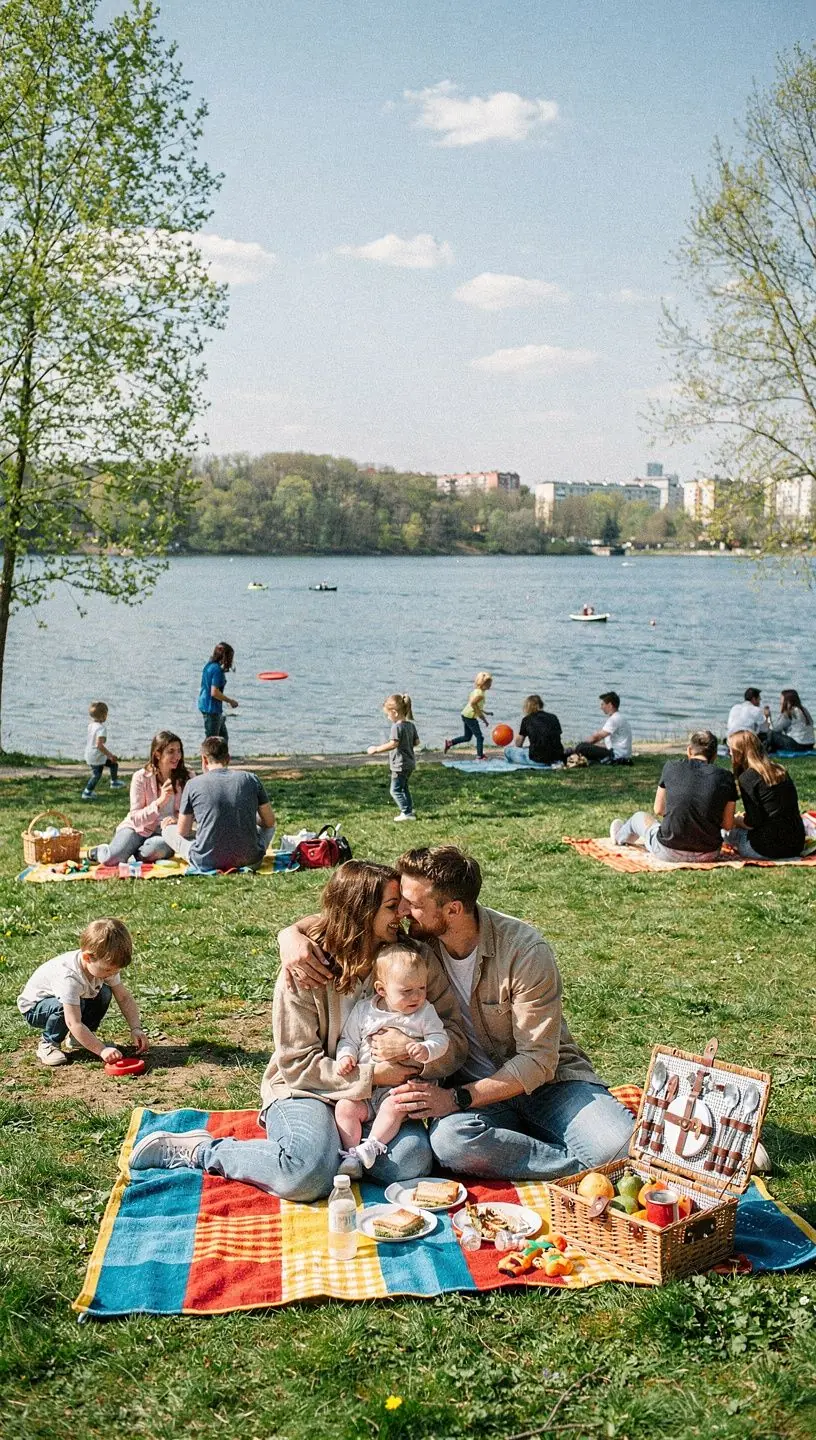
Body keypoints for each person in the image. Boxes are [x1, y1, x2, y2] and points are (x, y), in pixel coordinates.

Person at [277, 846, 634, 1182]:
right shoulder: (417, 943)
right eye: (398, 903)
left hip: (545, 1085)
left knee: (618, 1146)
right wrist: (289, 934)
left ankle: (581, 1165)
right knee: (451, 1144)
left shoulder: (523, 951)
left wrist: (456, 1099)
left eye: (411, 904)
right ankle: (580, 1167)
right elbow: (350, 913)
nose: (402, 911)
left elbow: (539, 1061)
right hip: (474, 1099)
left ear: (452, 911)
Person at [128, 862, 467, 1200]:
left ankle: (340, 1153)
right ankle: (206, 1151)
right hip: (309, 1091)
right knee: (305, 1175)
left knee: (410, 1163)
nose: (405, 912)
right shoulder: (306, 965)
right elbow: (297, 1064)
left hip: (379, 1101)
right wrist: (376, 1074)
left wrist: (418, 1059)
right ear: (361, 913)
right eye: (393, 907)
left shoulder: (411, 959)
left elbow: (454, 1038)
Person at [334, 943, 449, 1176]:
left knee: (393, 1106)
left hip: (398, 1090)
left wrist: (426, 1049)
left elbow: (441, 1039)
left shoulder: (424, 1012)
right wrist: (346, 1056)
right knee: (345, 1108)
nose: (416, 996)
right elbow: (349, 1039)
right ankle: (352, 1155)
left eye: (422, 988)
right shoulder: (364, 1011)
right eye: (406, 991)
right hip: (366, 1090)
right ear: (382, 990)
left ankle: (372, 1145)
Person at [17, 918, 147, 1069]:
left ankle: (79, 1039)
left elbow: (124, 997)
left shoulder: (105, 965)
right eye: (108, 970)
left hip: (74, 999)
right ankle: (49, 1044)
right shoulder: (69, 977)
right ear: (87, 957)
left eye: (116, 970)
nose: (112, 974)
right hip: (36, 1007)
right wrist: (102, 1050)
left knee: (104, 992)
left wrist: (136, 1028)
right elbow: (73, 1022)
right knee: (62, 1006)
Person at [610, 729, 736, 862]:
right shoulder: (726, 777)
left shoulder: (671, 767)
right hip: (708, 853)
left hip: (668, 850)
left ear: (689, 750)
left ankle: (620, 836)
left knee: (639, 818)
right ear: (715, 755)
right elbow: (728, 824)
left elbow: (658, 809)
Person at [159, 735, 275, 872]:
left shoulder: (193, 784)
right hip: (251, 860)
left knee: (168, 830)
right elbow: (269, 822)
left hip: (207, 862)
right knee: (270, 828)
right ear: (228, 758)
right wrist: (246, 817)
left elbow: (183, 831)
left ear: (204, 759)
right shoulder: (251, 778)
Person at [88, 731, 193, 865]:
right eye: (171, 751)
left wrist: (178, 819)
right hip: (137, 828)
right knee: (111, 859)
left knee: (153, 851)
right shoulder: (141, 777)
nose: (177, 756)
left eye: (179, 751)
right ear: (157, 754)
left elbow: (194, 812)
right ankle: (102, 851)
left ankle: (133, 854)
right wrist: (160, 802)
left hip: (164, 832)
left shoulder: (187, 777)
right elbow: (135, 817)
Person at [723, 731, 805, 859]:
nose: (729, 754)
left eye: (731, 750)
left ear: (740, 753)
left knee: (726, 833)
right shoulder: (780, 770)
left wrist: (736, 820)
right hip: (796, 844)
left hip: (766, 848)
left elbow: (753, 822)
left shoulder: (748, 777)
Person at [367, 692, 420, 822]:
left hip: (399, 764)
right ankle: (409, 808)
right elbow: (417, 742)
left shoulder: (396, 727)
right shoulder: (410, 725)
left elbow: (393, 744)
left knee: (395, 790)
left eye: (388, 714)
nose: (388, 717)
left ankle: (406, 813)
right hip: (410, 762)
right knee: (404, 787)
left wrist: (377, 749)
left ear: (395, 712)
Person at [570, 691, 632, 765]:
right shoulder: (620, 717)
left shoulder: (614, 719)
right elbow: (607, 744)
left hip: (616, 755)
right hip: (622, 753)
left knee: (581, 747)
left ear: (610, 705)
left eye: (603, 704)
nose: (601, 707)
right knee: (586, 747)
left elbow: (597, 737)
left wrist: (581, 745)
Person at [504, 694, 565, 767]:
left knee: (508, 750)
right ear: (541, 704)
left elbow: (518, 744)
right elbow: (556, 737)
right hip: (556, 757)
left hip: (538, 759)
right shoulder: (553, 717)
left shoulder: (527, 719)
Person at [444, 671, 493, 760]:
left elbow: (477, 705)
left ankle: (450, 743)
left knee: (467, 737)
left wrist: (486, 713)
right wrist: (483, 718)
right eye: (488, 683)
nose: (490, 685)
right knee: (480, 737)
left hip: (465, 715)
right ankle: (480, 756)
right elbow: (473, 704)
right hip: (470, 717)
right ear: (482, 684)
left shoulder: (476, 691)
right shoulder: (480, 695)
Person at [81, 701, 124, 801]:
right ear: (103, 716)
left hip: (89, 753)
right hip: (96, 755)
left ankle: (114, 782)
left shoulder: (91, 725)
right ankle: (87, 792)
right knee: (97, 774)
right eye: (106, 714)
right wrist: (110, 755)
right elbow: (99, 745)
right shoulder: (101, 729)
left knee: (113, 764)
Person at [198, 641, 238, 745]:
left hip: (206, 705)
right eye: (230, 657)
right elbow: (214, 692)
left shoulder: (209, 665)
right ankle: (207, 759)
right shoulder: (217, 670)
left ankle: (220, 758)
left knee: (222, 738)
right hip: (212, 709)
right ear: (225, 657)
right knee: (213, 741)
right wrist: (230, 701)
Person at [765, 689, 814, 754]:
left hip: (798, 745)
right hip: (809, 745)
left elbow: (775, 729)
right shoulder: (803, 710)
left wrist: (768, 717)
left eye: (781, 699)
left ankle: (763, 752)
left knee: (771, 734)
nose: (780, 702)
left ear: (787, 701)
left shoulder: (790, 712)